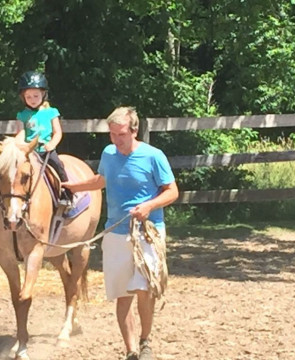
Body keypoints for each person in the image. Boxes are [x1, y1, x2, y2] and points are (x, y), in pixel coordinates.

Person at [62, 106, 179, 360]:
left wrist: (149, 206)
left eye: (121, 134)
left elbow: (172, 191)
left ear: (134, 131)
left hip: (147, 232)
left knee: (145, 289)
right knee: (122, 294)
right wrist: (73, 186)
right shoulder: (109, 154)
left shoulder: (153, 156)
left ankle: (145, 340)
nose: (116, 140)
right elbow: (101, 180)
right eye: (112, 134)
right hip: (115, 233)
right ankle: (131, 351)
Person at [15, 70, 73, 207]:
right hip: (29, 152)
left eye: (36, 96)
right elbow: (20, 133)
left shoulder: (51, 112)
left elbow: (58, 132)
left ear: (43, 94)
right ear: (23, 98)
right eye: (28, 97)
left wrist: (52, 144)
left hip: (46, 149)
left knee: (58, 165)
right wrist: (20, 145)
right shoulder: (22, 115)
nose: (32, 100)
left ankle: (67, 193)